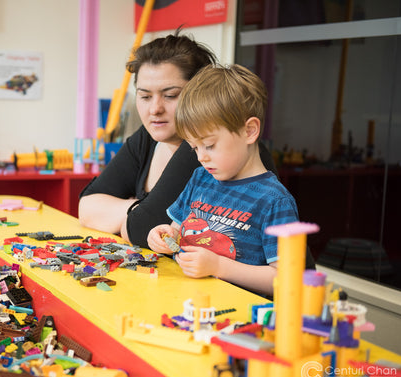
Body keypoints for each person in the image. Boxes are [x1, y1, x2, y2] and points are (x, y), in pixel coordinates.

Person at [78, 30, 277, 248]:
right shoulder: (148, 137)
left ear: (198, 94)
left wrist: (132, 215)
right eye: (145, 96)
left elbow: (142, 229)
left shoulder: (207, 151)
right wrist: (139, 209)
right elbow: (86, 207)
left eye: (171, 95)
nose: (155, 109)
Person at [147, 64, 300, 296]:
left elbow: (286, 279)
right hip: (186, 302)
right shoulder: (200, 179)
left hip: (237, 317)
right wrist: (164, 236)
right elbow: (178, 232)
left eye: (209, 145)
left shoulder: (274, 201)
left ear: (249, 131)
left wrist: (218, 267)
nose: (201, 157)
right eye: (194, 147)